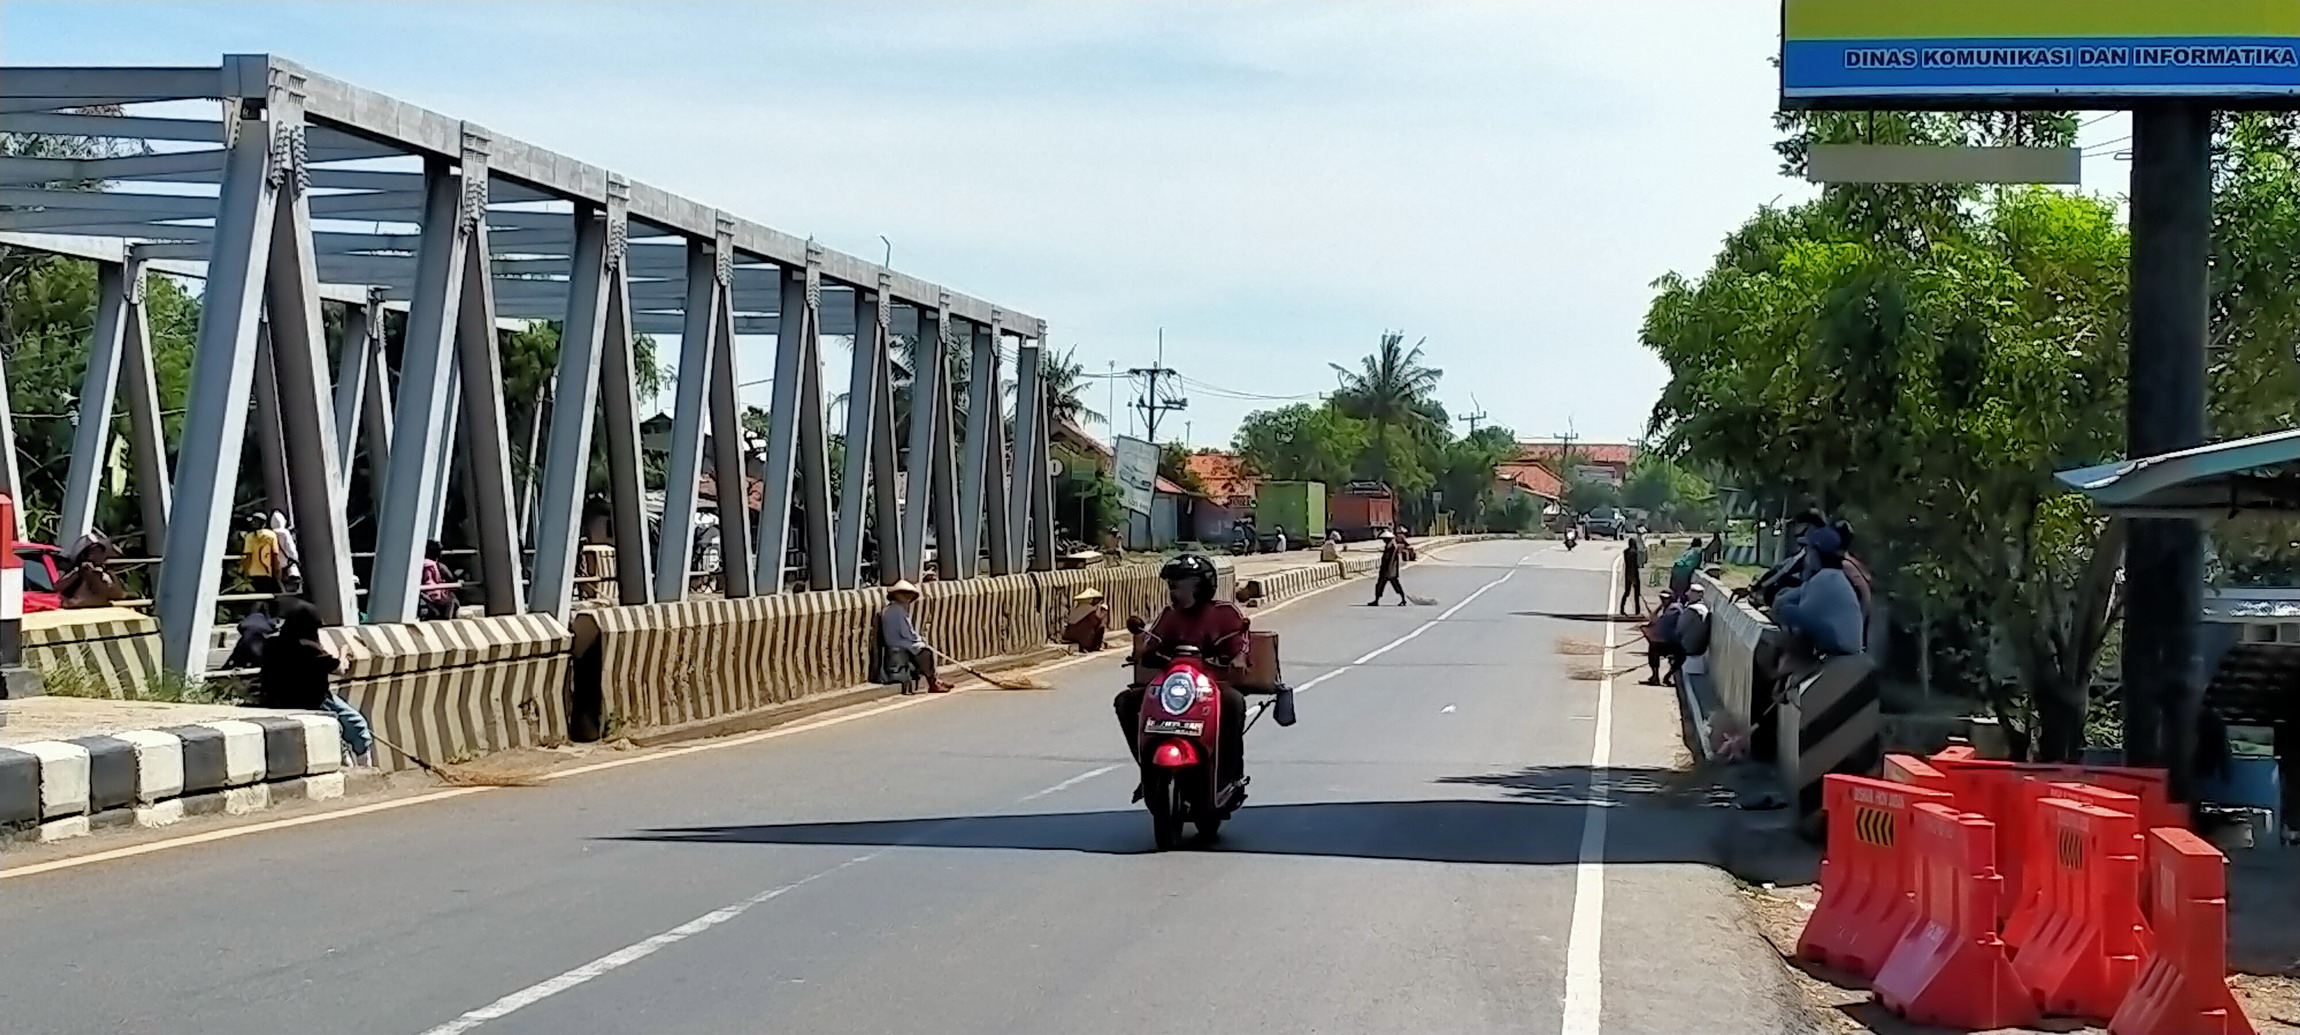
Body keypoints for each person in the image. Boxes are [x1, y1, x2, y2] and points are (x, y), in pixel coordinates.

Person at [1118, 553, 1252, 793]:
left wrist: (1238, 657)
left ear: (1201, 585)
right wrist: (1142, 647)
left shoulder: (1225, 613)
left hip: (1210, 686)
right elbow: (1150, 647)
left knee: (1234, 702)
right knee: (1125, 701)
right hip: (1174, 687)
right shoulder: (1170, 616)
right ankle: (1147, 768)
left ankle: (1229, 774)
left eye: (1181, 583)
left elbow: (1239, 644)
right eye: (1172, 584)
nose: (1175, 590)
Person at [254, 597, 373, 765]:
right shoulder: (307, 648)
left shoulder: (274, 644)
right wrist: (343, 652)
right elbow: (340, 669)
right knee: (358, 725)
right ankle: (366, 769)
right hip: (314, 700)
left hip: (278, 700)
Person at [1773, 526, 1864, 658]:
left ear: (1816, 553)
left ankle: (1793, 661)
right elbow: (1797, 592)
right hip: (1844, 642)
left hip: (1841, 644)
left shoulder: (1825, 578)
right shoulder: (1832, 576)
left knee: (1787, 612)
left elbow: (1804, 613)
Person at [879, 580, 949, 693]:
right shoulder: (897, 610)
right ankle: (932, 682)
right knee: (925, 652)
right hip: (898, 642)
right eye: (903, 594)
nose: (907, 597)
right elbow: (906, 632)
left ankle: (935, 679)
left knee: (922, 648)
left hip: (897, 640)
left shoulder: (893, 609)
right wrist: (919, 640)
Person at [56, 531, 126, 609]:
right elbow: (58, 588)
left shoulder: (106, 573)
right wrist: (80, 573)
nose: (101, 554)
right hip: (76, 611)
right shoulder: (78, 571)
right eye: (96, 551)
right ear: (85, 555)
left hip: (100, 611)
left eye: (101, 551)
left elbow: (117, 594)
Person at [1642, 590, 1682, 686]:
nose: (1663, 600)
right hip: (1670, 640)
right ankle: (1655, 676)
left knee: (1654, 647)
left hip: (1674, 642)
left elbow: (1657, 621)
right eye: (1662, 598)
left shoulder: (1674, 609)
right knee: (1653, 647)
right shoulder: (1667, 609)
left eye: (1666, 598)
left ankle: (1662, 676)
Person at [239, 513, 284, 595]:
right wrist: (277, 570)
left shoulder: (249, 537)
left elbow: (247, 557)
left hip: (253, 573)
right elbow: (275, 554)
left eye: (254, 521)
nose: (252, 523)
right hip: (267, 572)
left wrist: (245, 573)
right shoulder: (271, 535)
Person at [418, 541, 459, 621]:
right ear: (439, 553)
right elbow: (451, 578)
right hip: (438, 596)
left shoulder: (419, 564)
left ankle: (435, 612)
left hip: (424, 595)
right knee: (452, 601)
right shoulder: (439, 566)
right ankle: (446, 619)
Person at [1061, 587, 1110, 653]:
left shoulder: (1080, 607)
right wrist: (1103, 612)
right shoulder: (1090, 608)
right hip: (1080, 633)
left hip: (1071, 631)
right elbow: (1097, 620)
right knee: (1100, 627)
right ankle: (1091, 646)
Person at [1371, 528, 1409, 606]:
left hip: (1389, 570)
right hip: (1389, 570)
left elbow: (1389, 559)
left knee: (1388, 585)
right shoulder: (1391, 545)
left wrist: (1386, 570)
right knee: (1382, 586)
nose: (1384, 541)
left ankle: (1403, 599)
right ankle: (1377, 600)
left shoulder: (1392, 547)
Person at [1618, 529, 1647, 616]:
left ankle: (1622, 609)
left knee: (1627, 592)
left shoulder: (1626, 552)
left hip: (1627, 573)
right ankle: (1637, 610)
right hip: (1634, 572)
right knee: (1636, 593)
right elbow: (1637, 564)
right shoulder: (1634, 553)